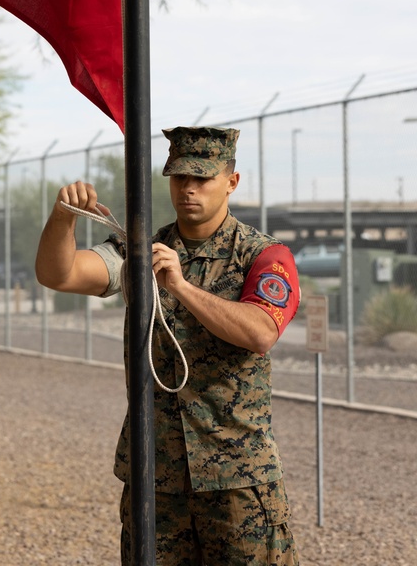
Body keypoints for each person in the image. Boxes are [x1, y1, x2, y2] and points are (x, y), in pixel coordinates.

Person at [35, 126, 300, 566]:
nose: (189, 189)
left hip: (237, 478)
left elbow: (260, 332)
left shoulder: (263, 255)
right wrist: (63, 218)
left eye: (203, 178)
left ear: (231, 181)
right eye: (179, 178)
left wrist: (180, 286)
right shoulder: (139, 250)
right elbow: (58, 274)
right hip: (155, 474)